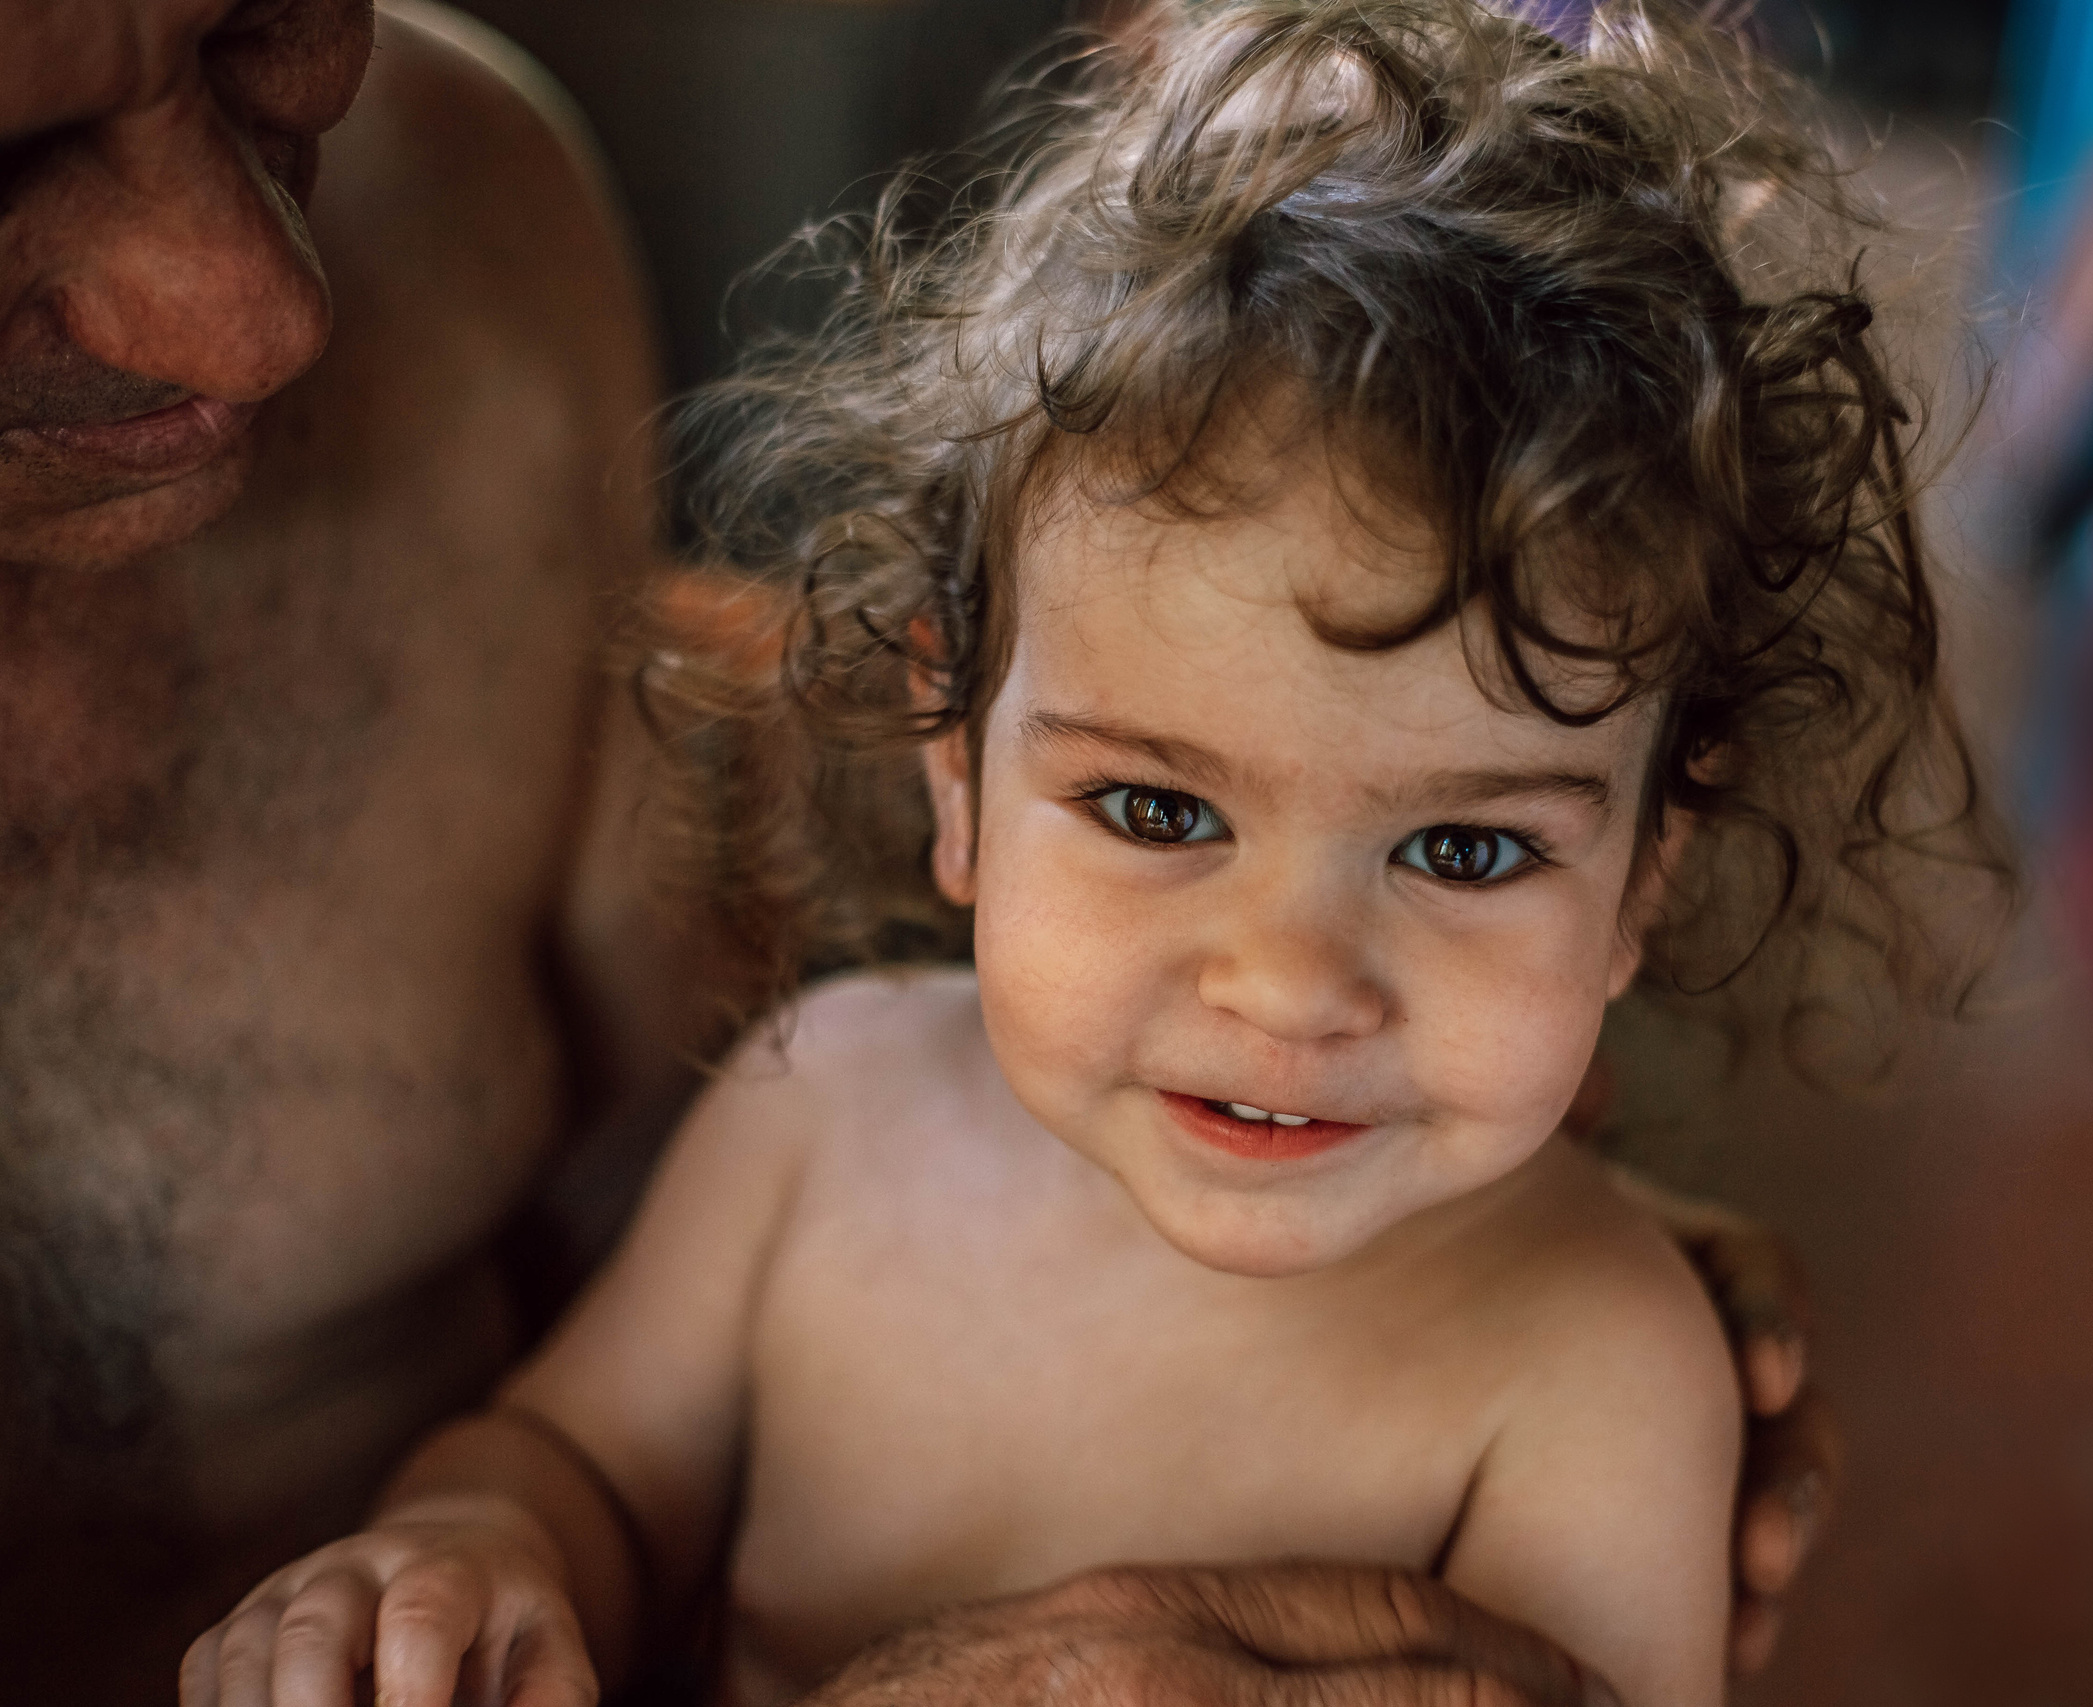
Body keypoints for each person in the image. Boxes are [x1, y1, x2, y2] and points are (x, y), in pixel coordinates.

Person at [3, 1, 1828, 1702]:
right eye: (1159, 811)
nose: (1288, 980)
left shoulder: (1605, 1369)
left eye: (1464, 851)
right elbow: (585, 1465)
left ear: (1647, 874)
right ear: (954, 771)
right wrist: (476, 1547)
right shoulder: (822, 1118)